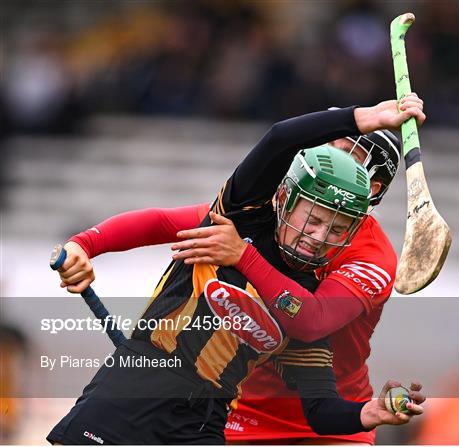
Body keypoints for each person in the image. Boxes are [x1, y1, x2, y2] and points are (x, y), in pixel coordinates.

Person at [51, 98, 426, 444]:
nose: (319, 236)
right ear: (287, 194)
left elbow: (311, 329)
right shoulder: (238, 216)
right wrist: (84, 245)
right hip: (160, 401)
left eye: (336, 226)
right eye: (312, 217)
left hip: (216, 421)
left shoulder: (310, 291)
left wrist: (367, 413)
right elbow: (276, 141)